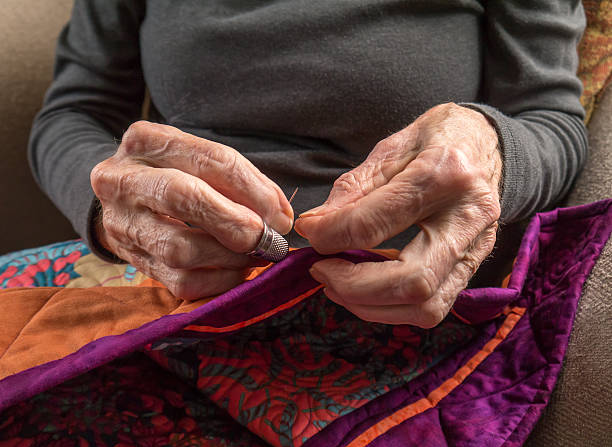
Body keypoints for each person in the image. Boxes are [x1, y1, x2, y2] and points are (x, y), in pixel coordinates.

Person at [29, 0, 587, 327]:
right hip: (170, 288)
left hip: (408, 304)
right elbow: (74, 113)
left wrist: (487, 146)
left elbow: (552, 122)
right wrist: (111, 207)